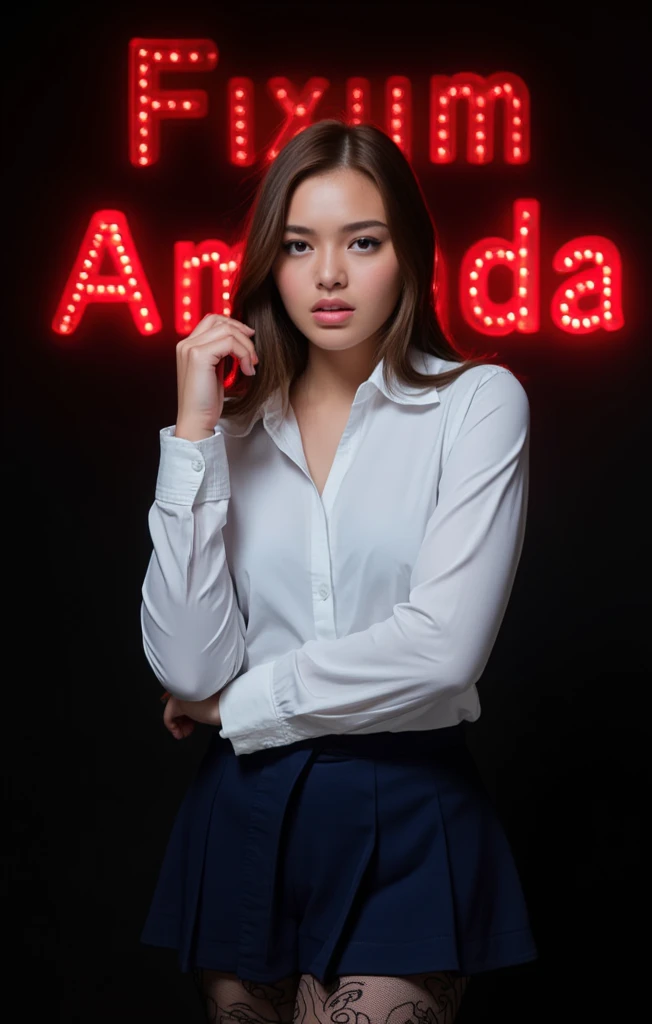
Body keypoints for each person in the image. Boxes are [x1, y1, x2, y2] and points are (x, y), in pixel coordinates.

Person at [139, 118, 539, 1022]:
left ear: (409, 254)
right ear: (270, 265)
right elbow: (190, 668)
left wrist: (238, 707)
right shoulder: (230, 441)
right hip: (243, 811)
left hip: (404, 800)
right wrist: (194, 435)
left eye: (363, 242)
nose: (328, 275)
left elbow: (441, 654)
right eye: (298, 245)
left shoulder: (475, 405)